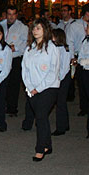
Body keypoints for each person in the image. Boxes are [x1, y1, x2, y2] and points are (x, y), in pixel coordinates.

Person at [22, 18, 60, 161]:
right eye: (33, 28)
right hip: (32, 88)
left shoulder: (52, 48)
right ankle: (47, 145)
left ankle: (39, 149)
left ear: (45, 30)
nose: (35, 30)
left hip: (48, 88)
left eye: (38, 28)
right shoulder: (29, 48)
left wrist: (38, 88)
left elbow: (53, 71)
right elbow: (24, 69)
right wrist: (30, 86)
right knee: (41, 117)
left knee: (40, 116)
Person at [66, 3, 89, 116]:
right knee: (82, 83)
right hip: (80, 58)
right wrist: (72, 57)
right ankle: (84, 107)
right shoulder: (75, 25)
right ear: (87, 13)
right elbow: (70, 42)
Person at [0, 5, 28, 116]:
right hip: (2, 58)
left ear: (16, 15)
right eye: (9, 14)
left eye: (13, 14)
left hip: (15, 58)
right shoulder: (0, 25)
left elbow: (26, 43)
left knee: (13, 84)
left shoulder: (22, 27)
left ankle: (12, 108)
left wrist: (16, 48)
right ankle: (3, 104)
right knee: (2, 82)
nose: (11, 17)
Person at [51, 28, 72, 136]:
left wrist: (58, 79)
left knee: (60, 102)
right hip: (57, 77)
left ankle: (61, 127)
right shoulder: (54, 48)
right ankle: (65, 123)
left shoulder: (64, 49)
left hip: (62, 78)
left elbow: (64, 67)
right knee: (60, 102)